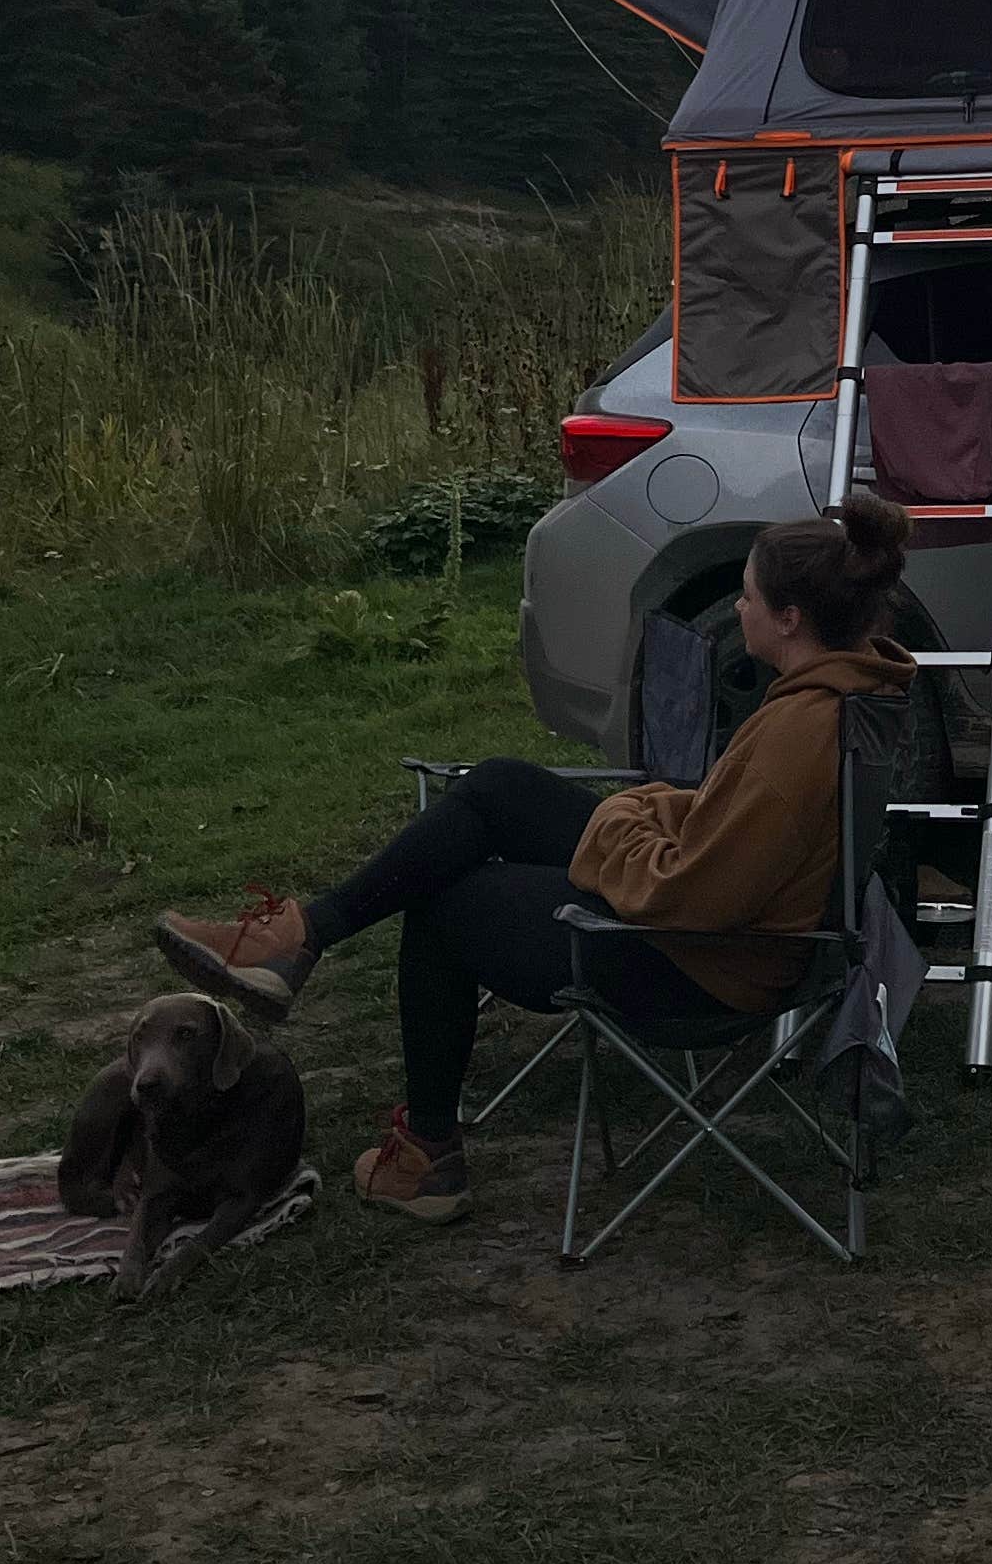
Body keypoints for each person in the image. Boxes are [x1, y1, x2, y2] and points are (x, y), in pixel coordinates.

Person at [151, 492, 916, 1224]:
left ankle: (428, 1156)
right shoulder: (839, 694)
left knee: (448, 906)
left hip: (702, 962)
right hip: (730, 932)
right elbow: (721, 825)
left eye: (749, 596)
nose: (740, 606)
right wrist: (640, 814)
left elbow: (699, 893)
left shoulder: (798, 733)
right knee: (501, 787)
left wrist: (620, 828)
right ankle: (298, 936)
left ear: (788, 618)